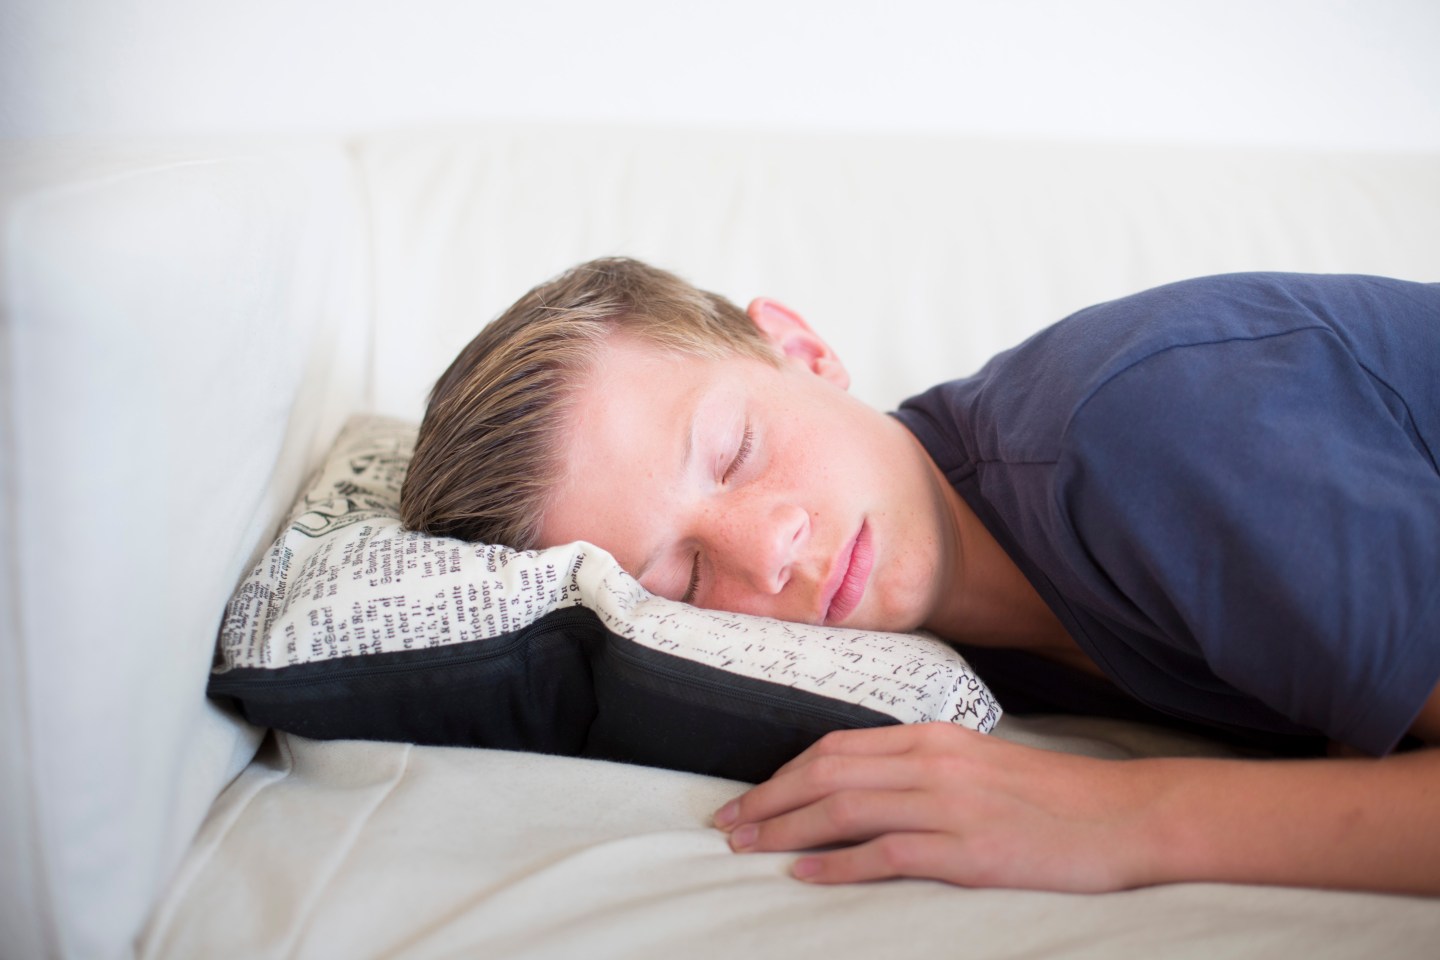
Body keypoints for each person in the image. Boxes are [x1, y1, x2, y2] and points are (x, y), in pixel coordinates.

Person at [401, 257, 1440, 895]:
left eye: (735, 453)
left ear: (801, 349)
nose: (765, 551)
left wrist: (1128, 816)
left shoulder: (1141, 433)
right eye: (674, 577)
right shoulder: (958, 646)